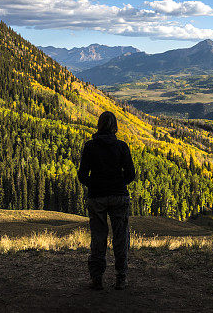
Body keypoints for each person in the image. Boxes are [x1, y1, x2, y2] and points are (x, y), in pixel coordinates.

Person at [77, 111, 136, 290]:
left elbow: (82, 175)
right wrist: (118, 184)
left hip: (97, 197)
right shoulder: (122, 146)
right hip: (119, 196)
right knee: (121, 237)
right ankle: (121, 278)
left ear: (99, 125)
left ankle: (97, 279)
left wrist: (94, 185)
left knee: (98, 237)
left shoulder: (90, 146)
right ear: (114, 126)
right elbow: (131, 175)